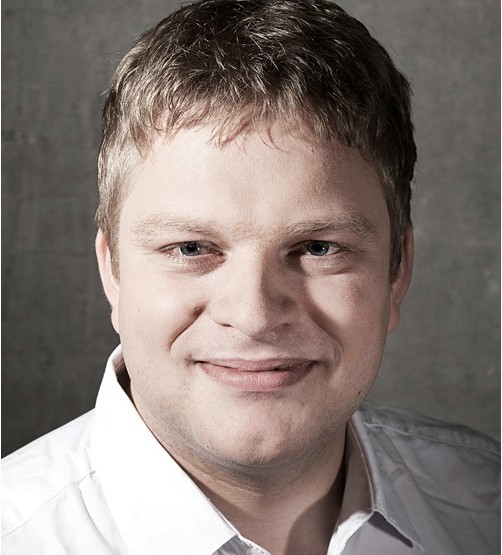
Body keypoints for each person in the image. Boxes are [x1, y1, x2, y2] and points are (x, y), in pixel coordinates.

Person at [2, 0, 499, 553]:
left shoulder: (487, 507)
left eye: (318, 248)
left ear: (396, 270)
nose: (254, 315)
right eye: (191, 248)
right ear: (112, 271)